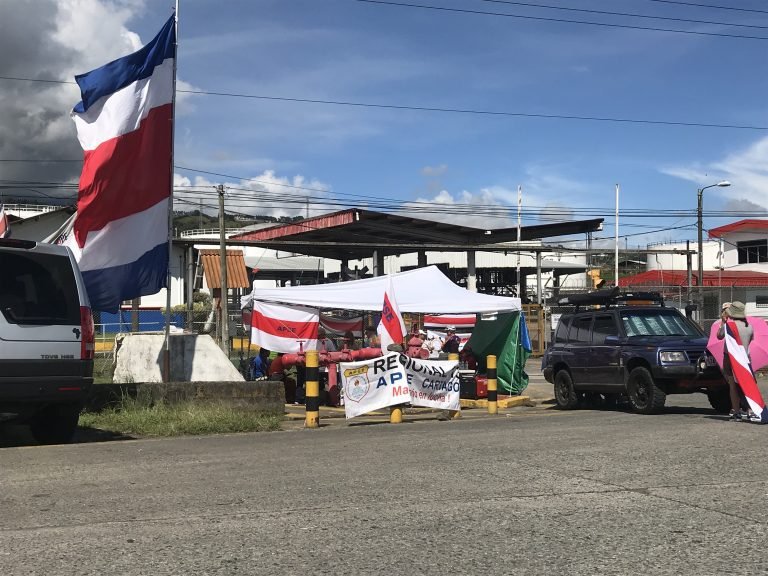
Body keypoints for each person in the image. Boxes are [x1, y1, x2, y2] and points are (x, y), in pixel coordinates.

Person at [717, 301, 754, 421]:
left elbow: (719, 335)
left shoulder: (729, 326)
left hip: (731, 358)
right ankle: (750, 410)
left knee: (733, 386)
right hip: (745, 358)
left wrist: (723, 322)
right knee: (747, 385)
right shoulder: (749, 327)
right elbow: (750, 340)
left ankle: (736, 412)